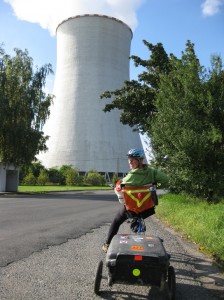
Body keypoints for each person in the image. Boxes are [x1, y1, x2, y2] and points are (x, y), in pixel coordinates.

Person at [102, 148, 169, 253]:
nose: (129, 162)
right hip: (147, 208)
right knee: (138, 211)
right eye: (129, 159)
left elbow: (119, 189)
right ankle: (137, 224)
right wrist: (155, 185)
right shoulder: (153, 172)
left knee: (116, 221)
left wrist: (116, 186)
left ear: (140, 160)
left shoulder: (130, 177)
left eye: (132, 160)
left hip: (131, 209)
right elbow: (166, 180)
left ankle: (107, 244)